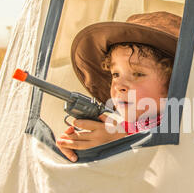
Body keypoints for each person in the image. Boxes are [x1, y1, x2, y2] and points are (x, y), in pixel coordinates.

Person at [56, 11, 181, 162]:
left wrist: (122, 141)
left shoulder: (185, 126)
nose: (119, 86)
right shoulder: (122, 126)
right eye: (115, 74)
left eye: (138, 74)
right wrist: (77, 144)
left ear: (174, 81)